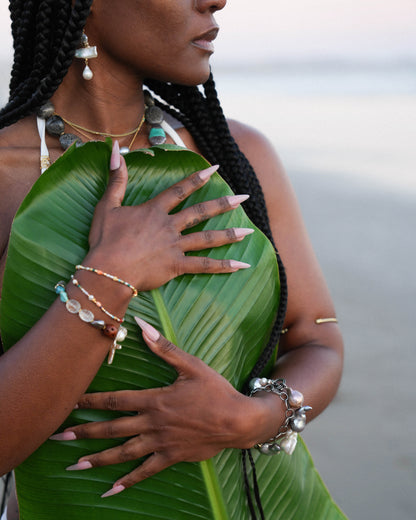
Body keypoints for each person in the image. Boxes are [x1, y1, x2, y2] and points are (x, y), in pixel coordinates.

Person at [0, 1, 344, 519]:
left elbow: (317, 337)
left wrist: (254, 418)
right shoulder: (5, 177)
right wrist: (110, 275)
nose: (216, 1)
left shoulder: (233, 157)